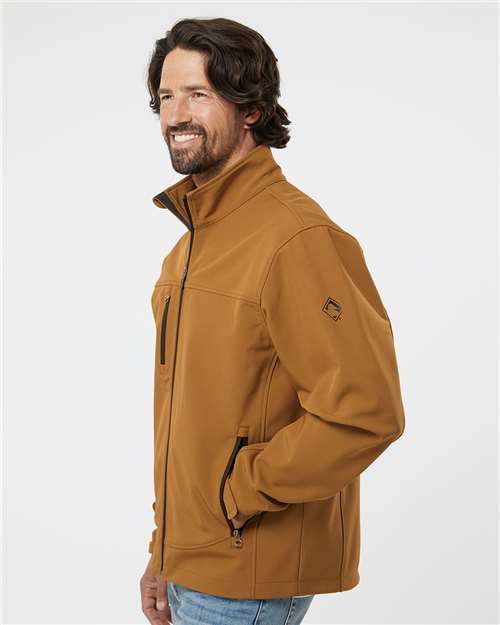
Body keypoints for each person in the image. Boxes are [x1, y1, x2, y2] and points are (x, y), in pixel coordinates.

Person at [139, 17, 406, 625]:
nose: (177, 114)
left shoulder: (296, 238)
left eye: (199, 94)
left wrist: (238, 492)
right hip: (192, 564)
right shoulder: (191, 247)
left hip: (247, 573)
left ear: (251, 108)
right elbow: (192, 418)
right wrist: (165, 548)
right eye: (167, 96)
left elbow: (366, 410)